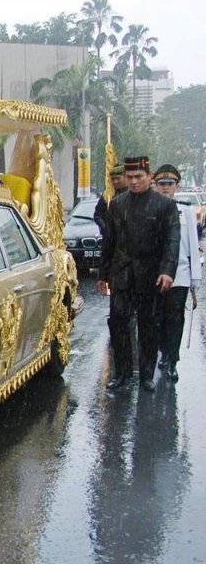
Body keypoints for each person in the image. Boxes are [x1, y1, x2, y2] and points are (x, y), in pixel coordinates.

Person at [96, 157, 181, 392]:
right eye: (130, 178)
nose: (133, 182)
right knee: (118, 322)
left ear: (149, 175)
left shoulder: (164, 205)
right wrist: (103, 273)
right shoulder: (118, 204)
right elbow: (109, 241)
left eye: (138, 177)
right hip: (122, 274)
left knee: (148, 326)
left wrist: (167, 271)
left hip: (150, 274)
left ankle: (145, 374)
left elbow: (172, 242)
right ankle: (122, 373)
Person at [153, 164, 201, 381]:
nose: (165, 188)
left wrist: (195, 280)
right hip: (155, 275)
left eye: (169, 184)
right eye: (162, 184)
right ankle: (163, 352)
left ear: (177, 186)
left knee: (175, 319)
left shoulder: (186, 211)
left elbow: (192, 244)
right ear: (155, 185)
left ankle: (173, 359)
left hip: (180, 275)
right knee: (158, 317)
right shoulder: (151, 209)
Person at [94, 163, 126, 235]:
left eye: (118, 178)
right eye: (113, 179)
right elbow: (97, 215)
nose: (115, 181)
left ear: (125, 177)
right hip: (109, 237)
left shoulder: (132, 193)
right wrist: (105, 227)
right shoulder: (107, 194)